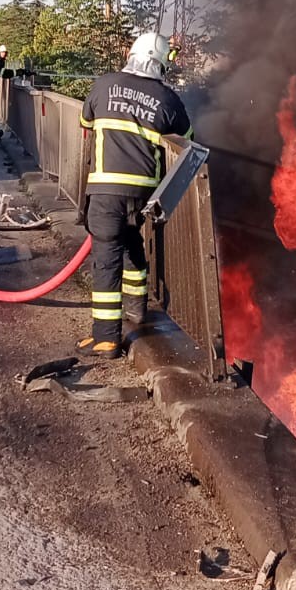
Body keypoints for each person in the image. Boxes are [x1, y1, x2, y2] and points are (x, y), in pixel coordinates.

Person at [77, 31, 192, 359]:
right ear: (160, 64)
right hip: (144, 195)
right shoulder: (167, 98)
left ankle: (106, 338)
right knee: (131, 245)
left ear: (131, 54)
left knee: (106, 261)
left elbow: (86, 120)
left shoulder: (104, 84)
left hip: (105, 190)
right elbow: (187, 138)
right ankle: (136, 309)